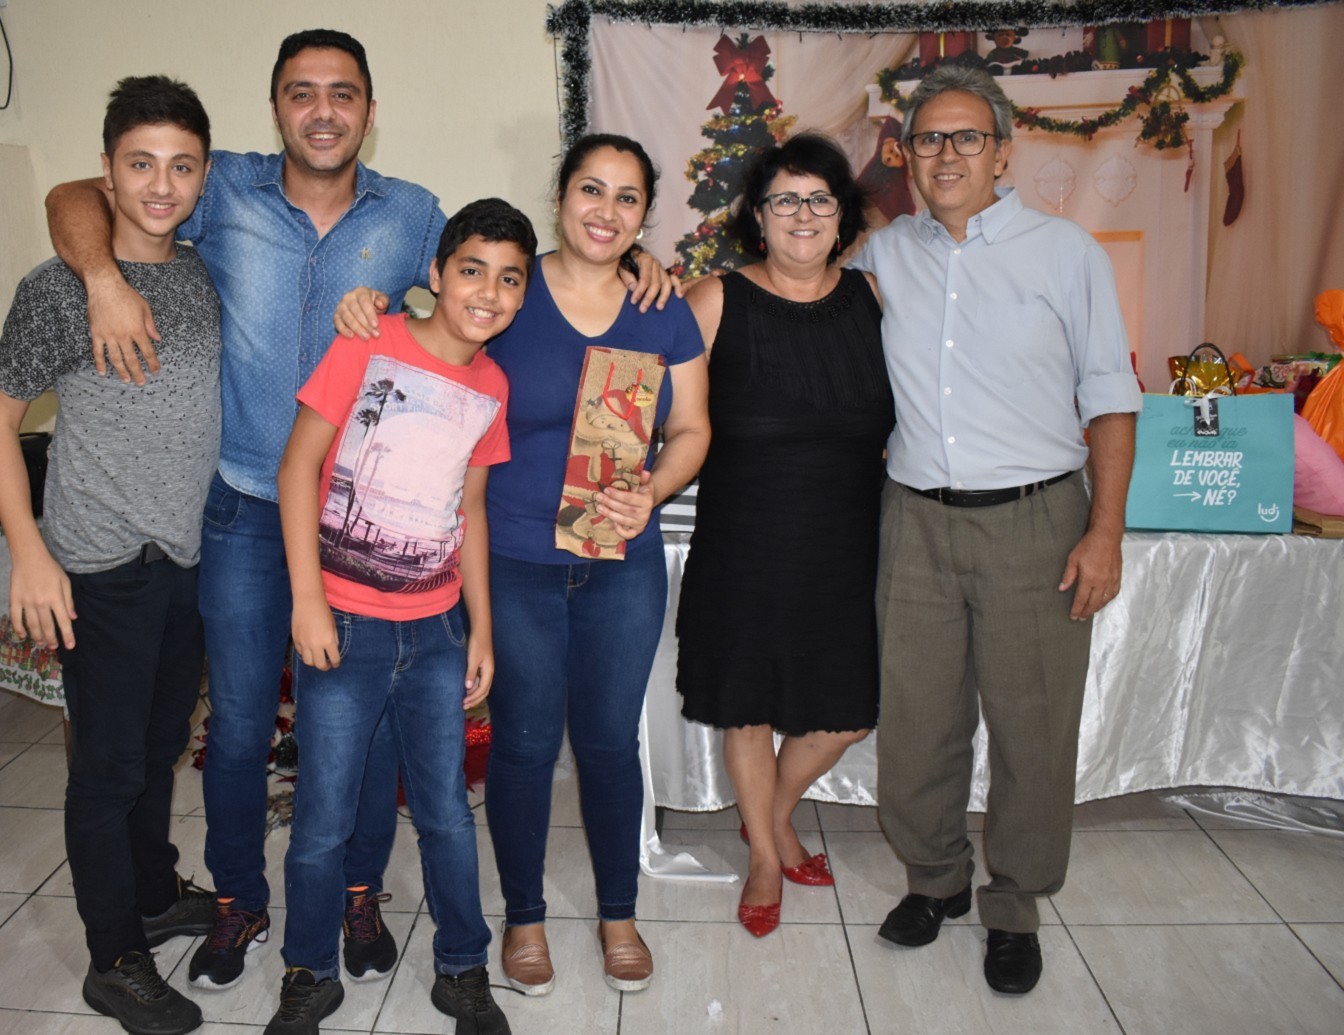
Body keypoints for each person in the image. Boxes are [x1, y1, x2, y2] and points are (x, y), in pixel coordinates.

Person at [44, 29, 675, 992]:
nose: (323, 110)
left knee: (366, 729)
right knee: (240, 726)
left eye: (343, 93)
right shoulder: (223, 186)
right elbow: (76, 197)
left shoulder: (412, 212)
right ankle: (239, 898)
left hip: (366, 532)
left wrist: (631, 262)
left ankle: (358, 892)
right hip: (248, 507)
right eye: (302, 92)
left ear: (370, 112)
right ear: (277, 107)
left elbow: (497, 280)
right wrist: (99, 279)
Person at [352, 134, 708, 997]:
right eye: (591, 189)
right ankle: (525, 914)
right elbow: (429, 325)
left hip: (620, 562)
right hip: (513, 559)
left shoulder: (661, 308)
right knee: (522, 742)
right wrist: (363, 302)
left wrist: (652, 489)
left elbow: (693, 428)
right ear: (560, 196)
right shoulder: (510, 292)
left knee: (610, 742)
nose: (606, 211)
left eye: (627, 197)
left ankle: (618, 913)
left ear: (643, 216)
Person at [848, 64, 1141, 994]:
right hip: (915, 521)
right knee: (918, 722)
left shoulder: (1066, 253)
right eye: (928, 138)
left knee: (1032, 726)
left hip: (1037, 523)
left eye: (967, 137)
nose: (946, 155)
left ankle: (1014, 904)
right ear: (906, 154)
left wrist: (1105, 530)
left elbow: (1110, 397)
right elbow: (785, 291)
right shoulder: (882, 255)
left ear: (1003, 152)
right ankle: (936, 880)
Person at [0, 75, 222, 1035]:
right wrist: (29, 553)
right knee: (108, 768)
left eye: (181, 166)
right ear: (107, 175)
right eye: (140, 164)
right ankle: (114, 959)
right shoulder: (60, 288)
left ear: (202, 175)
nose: (161, 185)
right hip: (101, 569)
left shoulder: (199, 273)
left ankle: (151, 892)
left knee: (160, 750)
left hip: (184, 559)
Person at [271, 197, 532, 1035]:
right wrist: (308, 599)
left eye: (510, 279)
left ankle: (463, 968)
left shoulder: (492, 386)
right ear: (437, 274)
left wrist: (481, 628)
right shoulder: (369, 342)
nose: (488, 291)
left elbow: (472, 510)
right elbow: (297, 469)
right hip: (343, 626)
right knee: (323, 818)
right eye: (472, 270)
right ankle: (308, 972)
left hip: (437, 632)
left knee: (447, 812)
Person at [674, 133, 891, 938]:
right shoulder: (713, 299)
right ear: (758, 217)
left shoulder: (873, 298)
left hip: (847, 543)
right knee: (749, 709)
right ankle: (767, 852)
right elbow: (651, 405)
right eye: (785, 199)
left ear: (843, 215)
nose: (803, 214)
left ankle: (770, 811)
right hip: (745, 542)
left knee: (847, 714)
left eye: (819, 198)